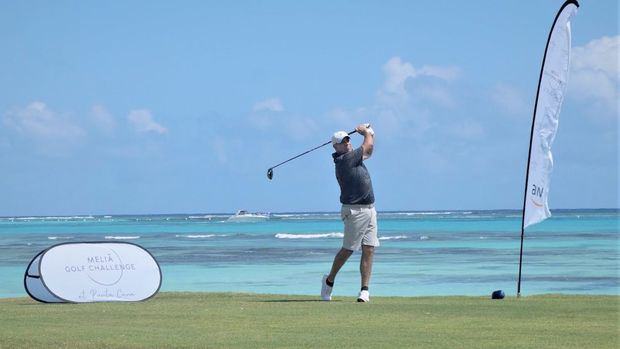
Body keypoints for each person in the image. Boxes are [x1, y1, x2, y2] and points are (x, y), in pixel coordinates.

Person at [321, 123, 378, 302]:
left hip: (370, 208)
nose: (346, 143)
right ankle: (329, 280)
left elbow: (369, 150)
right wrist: (366, 132)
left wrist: (370, 134)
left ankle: (364, 291)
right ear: (335, 147)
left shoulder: (354, 157)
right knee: (348, 249)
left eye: (348, 140)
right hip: (355, 210)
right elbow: (367, 146)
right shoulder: (345, 159)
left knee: (369, 249)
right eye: (342, 142)